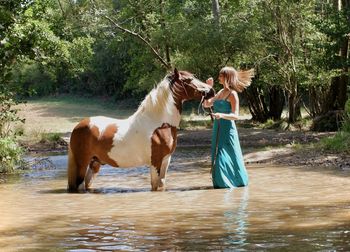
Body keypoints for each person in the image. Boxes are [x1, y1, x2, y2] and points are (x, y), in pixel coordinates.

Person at [203, 66, 254, 188]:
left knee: (226, 154)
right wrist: (208, 89)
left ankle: (231, 182)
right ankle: (222, 183)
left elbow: (235, 116)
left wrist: (221, 115)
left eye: (221, 75)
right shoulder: (220, 92)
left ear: (227, 77)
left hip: (228, 129)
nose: (218, 78)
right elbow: (206, 104)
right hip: (217, 127)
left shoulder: (233, 94)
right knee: (217, 153)